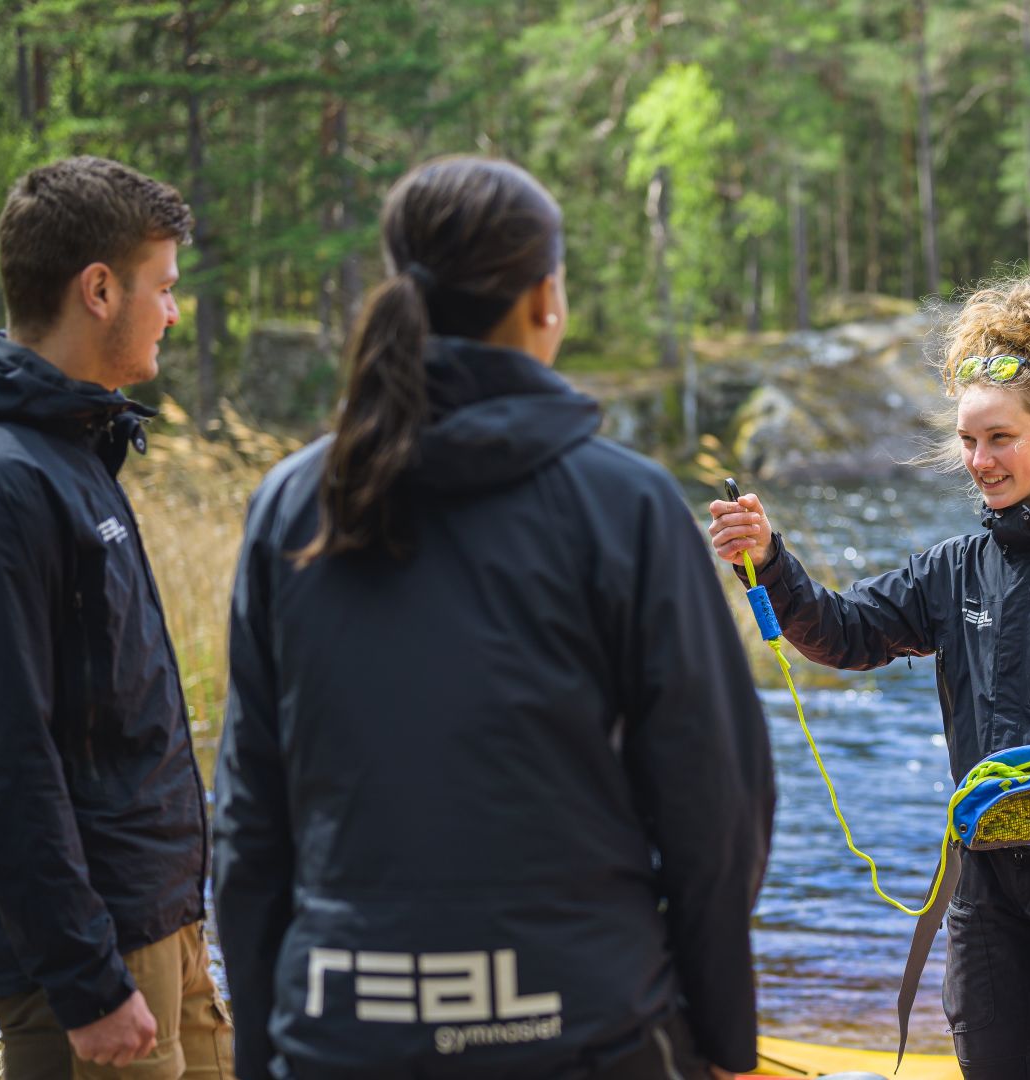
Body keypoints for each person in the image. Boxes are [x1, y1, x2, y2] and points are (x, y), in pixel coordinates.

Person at [211, 156, 775, 1080]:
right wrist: (722, 1040)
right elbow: (718, 806)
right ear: (545, 298)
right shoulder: (624, 504)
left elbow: (250, 816)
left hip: (339, 1032)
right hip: (587, 1029)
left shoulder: (292, 502)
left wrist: (262, 1051)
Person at [707, 279, 1030, 1080]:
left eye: (1001, 439)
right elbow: (846, 634)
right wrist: (772, 562)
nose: (979, 461)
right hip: (982, 878)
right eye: (968, 440)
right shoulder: (954, 570)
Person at [0, 157, 232, 1079]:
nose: (172, 310)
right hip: (98, 963)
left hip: (160, 933)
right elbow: (3, 756)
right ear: (100, 288)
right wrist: (85, 981)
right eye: (164, 287)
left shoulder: (72, 449)